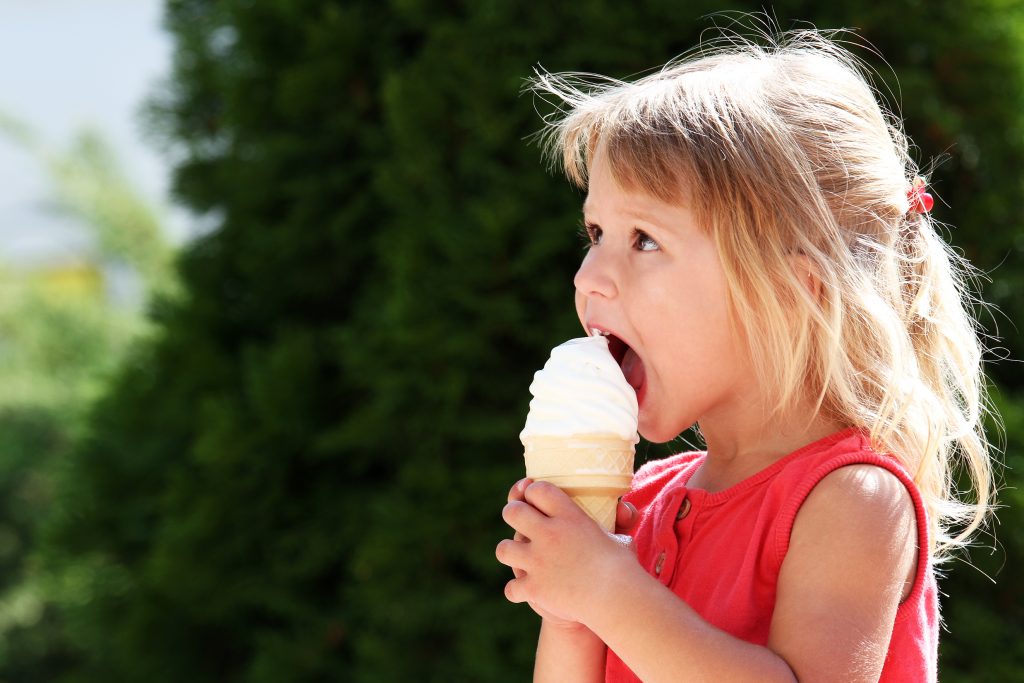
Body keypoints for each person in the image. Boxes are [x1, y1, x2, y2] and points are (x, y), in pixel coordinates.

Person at [495, 28, 997, 683]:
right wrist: (569, 612)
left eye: (643, 238)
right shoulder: (640, 501)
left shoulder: (853, 500)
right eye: (595, 232)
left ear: (791, 291)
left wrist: (609, 593)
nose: (588, 275)